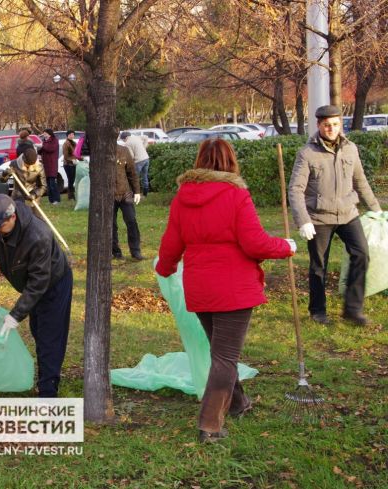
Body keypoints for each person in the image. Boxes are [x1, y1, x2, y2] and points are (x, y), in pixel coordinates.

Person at [156, 138, 295, 443]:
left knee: (221, 353)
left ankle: (239, 403)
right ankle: (210, 425)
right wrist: (287, 246)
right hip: (233, 289)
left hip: (201, 288)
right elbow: (255, 243)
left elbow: (171, 243)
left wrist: (164, 269)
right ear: (231, 161)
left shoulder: (183, 197)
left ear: (199, 160)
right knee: (225, 357)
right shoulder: (236, 194)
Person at [0, 194, 72, 398]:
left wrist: (16, 315)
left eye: (0, 226)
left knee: (50, 337)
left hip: (53, 284)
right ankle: (45, 371)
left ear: (12, 218)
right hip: (31, 284)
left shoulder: (38, 235)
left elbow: (39, 282)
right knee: (38, 330)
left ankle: (48, 391)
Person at [288, 105, 382, 326]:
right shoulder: (307, 153)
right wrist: (304, 221)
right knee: (319, 265)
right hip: (319, 218)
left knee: (361, 255)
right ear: (319, 125)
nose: (331, 129)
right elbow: (295, 189)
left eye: (336, 124)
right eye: (327, 125)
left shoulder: (350, 149)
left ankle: (352, 308)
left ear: (341, 124)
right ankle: (318, 311)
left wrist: (375, 208)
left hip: (348, 213)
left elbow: (360, 181)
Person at [112, 144, 144, 261]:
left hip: (125, 193)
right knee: (111, 225)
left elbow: (132, 172)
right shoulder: (101, 152)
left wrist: (136, 191)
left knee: (131, 221)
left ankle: (135, 251)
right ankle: (115, 252)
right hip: (108, 196)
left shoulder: (123, 150)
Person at [0, 147, 46, 215]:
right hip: (17, 197)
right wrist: (5, 174)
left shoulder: (39, 167)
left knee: (36, 220)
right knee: (16, 219)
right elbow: (2, 180)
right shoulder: (14, 164)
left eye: (32, 165)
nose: (29, 167)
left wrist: (35, 194)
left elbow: (43, 186)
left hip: (33, 198)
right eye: (27, 165)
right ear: (23, 160)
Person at [38, 128, 60, 204]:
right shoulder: (45, 141)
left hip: (52, 164)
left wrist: (42, 146)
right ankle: (51, 200)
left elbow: (50, 149)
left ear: (49, 134)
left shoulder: (54, 140)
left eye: (45, 133)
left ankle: (56, 199)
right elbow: (41, 151)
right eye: (43, 133)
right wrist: (38, 148)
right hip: (46, 165)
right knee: (48, 184)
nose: (44, 135)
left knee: (52, 183)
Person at [62, 130, 82, 200]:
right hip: (67, 164)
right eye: (70, 134)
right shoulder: (66, 143)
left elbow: (76, 154)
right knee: (70, 180)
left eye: (73, 134)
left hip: (73, 164)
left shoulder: (74, 143)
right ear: (67, 135)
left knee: (72, 179)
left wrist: (81, 159)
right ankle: (70, 196)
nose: (72, 136)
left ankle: (71, 195)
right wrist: (72, 160)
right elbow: (65, 156)